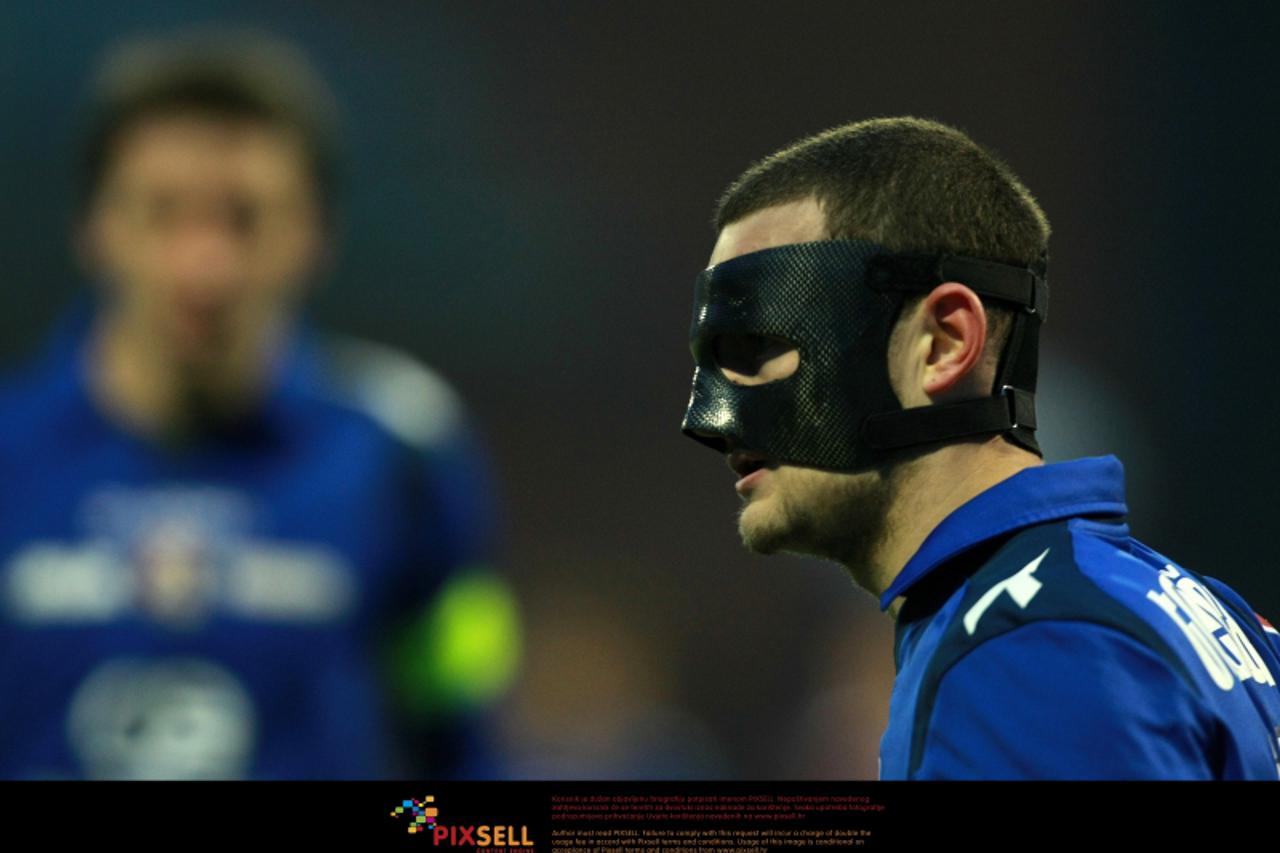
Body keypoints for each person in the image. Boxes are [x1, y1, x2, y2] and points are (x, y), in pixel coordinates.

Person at [680, 117, 1280, 780]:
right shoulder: (1199, 614)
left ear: (942, 344)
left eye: (757, 349)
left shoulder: (1030, 649)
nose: (709, 420)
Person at [0, 31, 518, 779]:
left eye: (243, 217)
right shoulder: (9, 452)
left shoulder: (405, 458)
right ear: (95, 228)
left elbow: (458, 761)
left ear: (316, 235)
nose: (203, 263)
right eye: (162, 212)